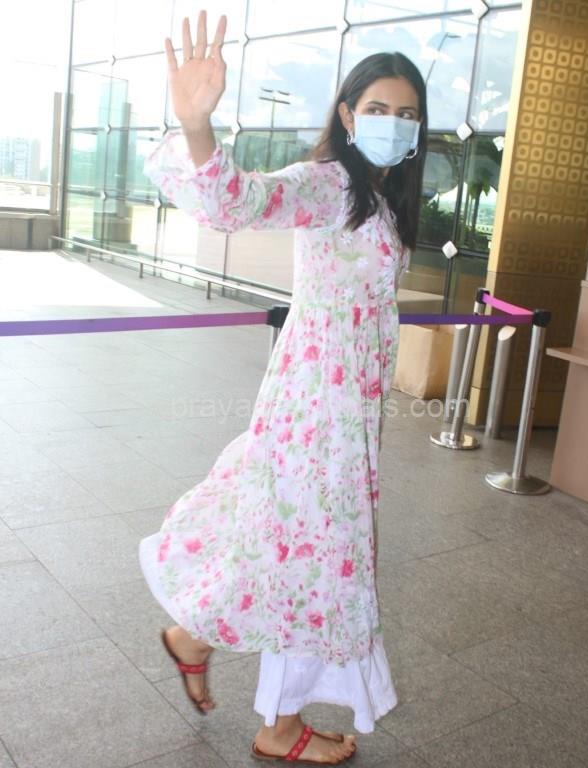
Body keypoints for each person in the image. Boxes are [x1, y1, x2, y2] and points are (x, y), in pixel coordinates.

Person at [138, 9, 427, 765]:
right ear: (347, 115)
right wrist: (197, 126)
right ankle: (280, 725)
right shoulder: (329, 184)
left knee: (280, 537)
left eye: (407, 114)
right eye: (377, 108)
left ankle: (193, 636)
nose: (393, 123)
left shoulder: (383, 198)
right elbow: (239, 202)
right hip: (316, 407)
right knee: (315, 554)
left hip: (344, 410)